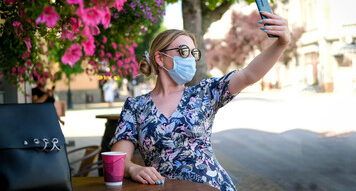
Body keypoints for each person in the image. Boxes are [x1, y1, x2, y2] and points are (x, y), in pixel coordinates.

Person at [110, 11, 290, 191]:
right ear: (160, 58)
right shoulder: (136, 106)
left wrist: (281, 44)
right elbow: (117, 159)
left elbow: (248, 74)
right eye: (183, 51)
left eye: (193, 53)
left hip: (212, 186)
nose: (190, 58)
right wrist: (133, 168)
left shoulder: (205, 93)